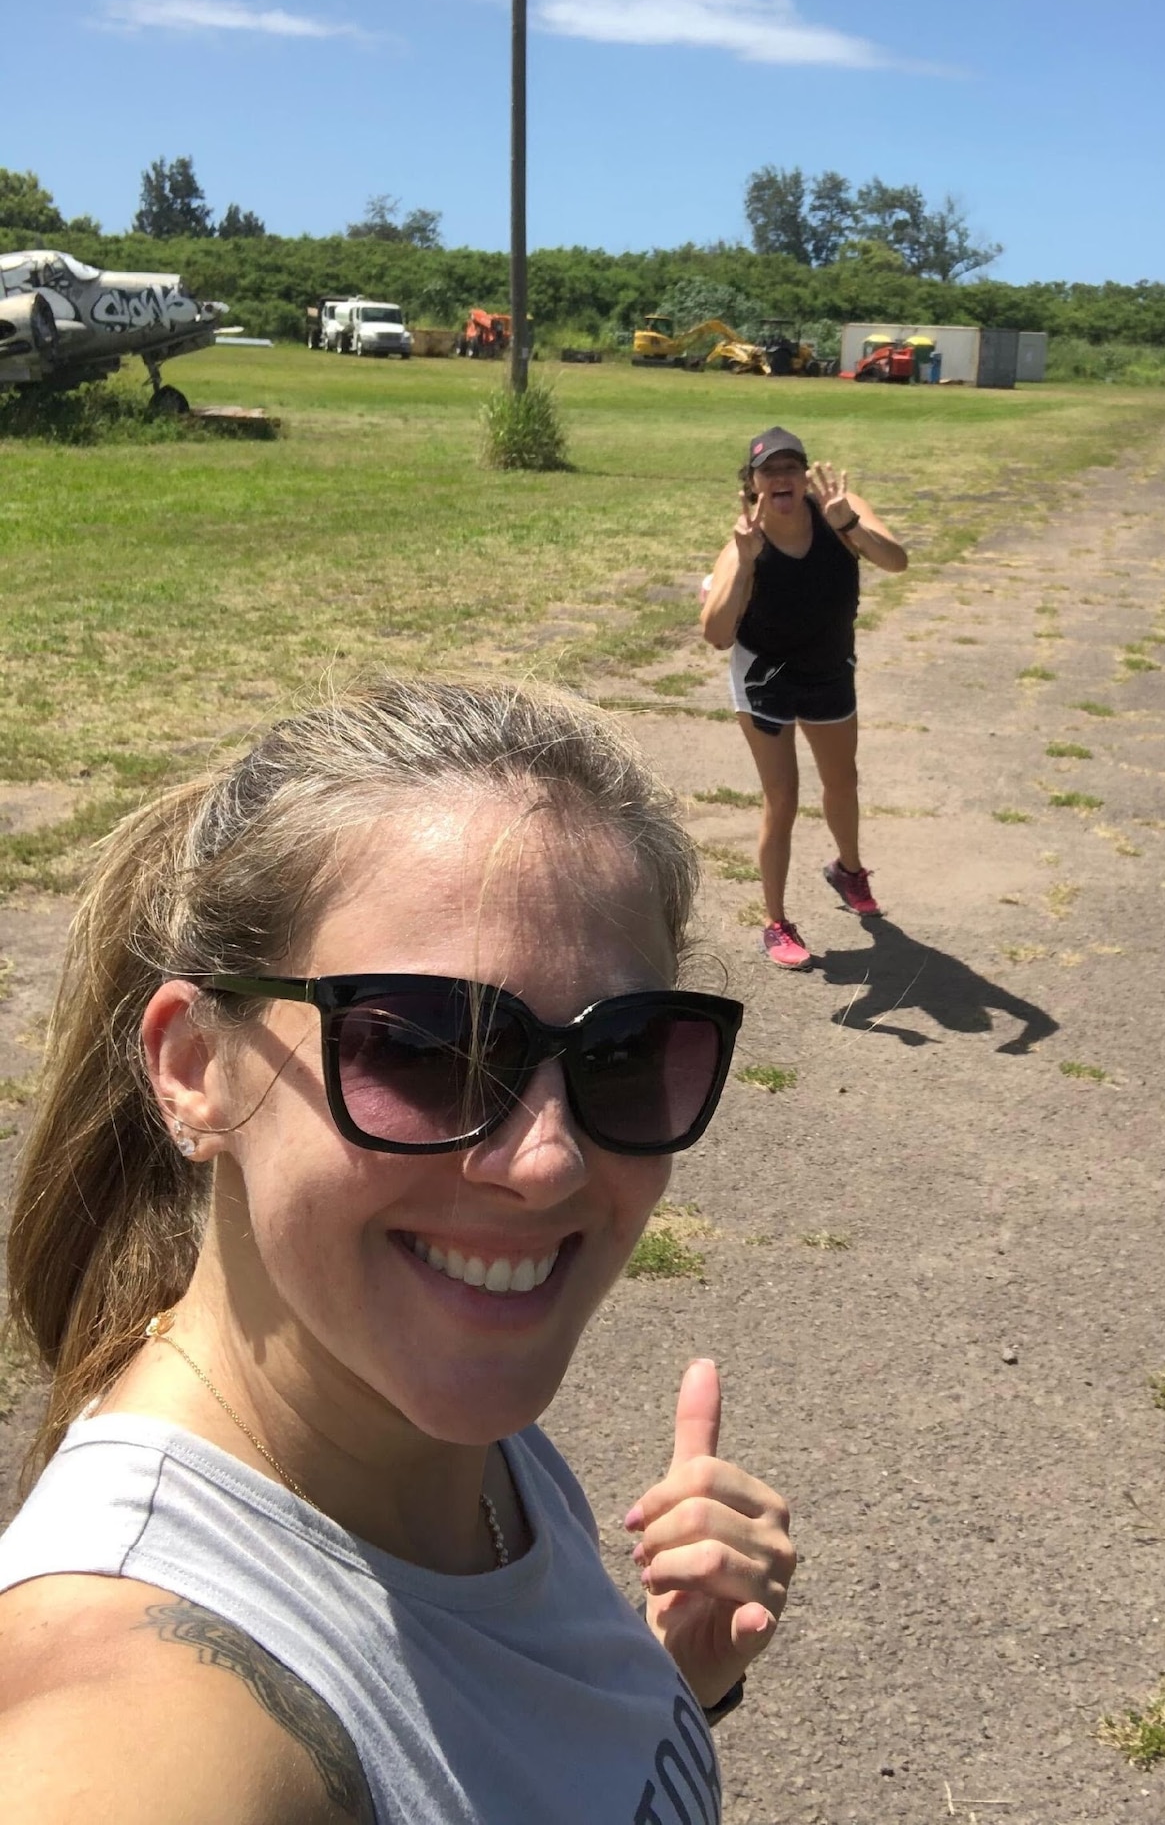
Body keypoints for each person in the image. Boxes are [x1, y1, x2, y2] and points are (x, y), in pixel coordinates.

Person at [0, 678, 795, 1824]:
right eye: (424, 1047)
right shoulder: (144, 1712)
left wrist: (660, 1686)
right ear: (192, 1065)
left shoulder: (426, 1418)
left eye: (622, 1053)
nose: (548, 1161)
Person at [700, 426, 908, 970]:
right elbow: (716, 633)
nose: (782, 478)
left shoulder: (841, 512)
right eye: (769, 470)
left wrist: (850, 524)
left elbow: (896, 562)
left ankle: (848, 870)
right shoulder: (743, 543)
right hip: (765, 676)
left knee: (843, 782)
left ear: (807, 476)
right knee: (783, 797)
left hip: (828, 669)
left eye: (792, 467)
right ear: (752, 484)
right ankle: (776, 921)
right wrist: (745, 562)